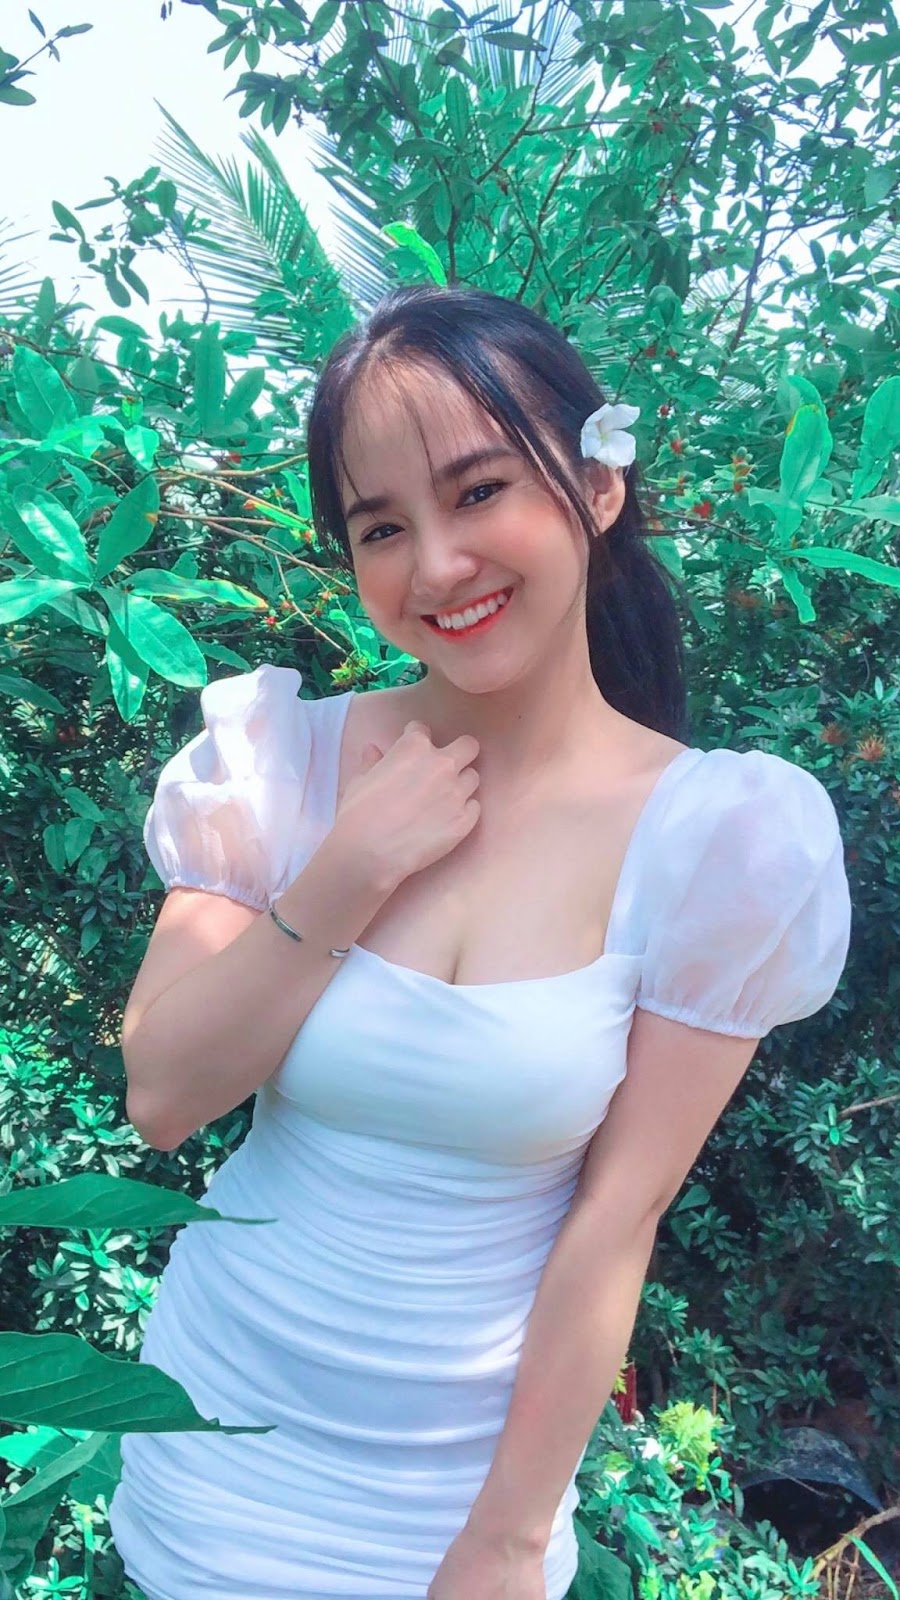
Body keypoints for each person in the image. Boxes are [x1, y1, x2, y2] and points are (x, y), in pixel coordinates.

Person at [108, 284, 852, 1600]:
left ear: (598, 486)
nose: (438, 566)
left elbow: (616, 1219)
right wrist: (347, 873)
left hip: (454, 1498)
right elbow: (165, 1097)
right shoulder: (277, 766)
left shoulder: (718, 841)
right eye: (382, 527)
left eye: (480, 491)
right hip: (213, 1439)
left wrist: (505, 1540)